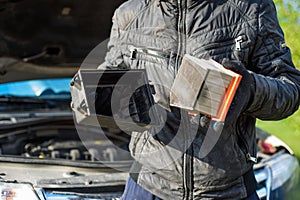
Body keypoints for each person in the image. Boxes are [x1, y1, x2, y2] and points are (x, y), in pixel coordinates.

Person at [98, 0, 300, 199]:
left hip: (228, 190)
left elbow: (290, 89)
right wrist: (103, 97)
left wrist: (251, 91)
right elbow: (108, 81)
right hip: (147, 187)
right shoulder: (128, 14)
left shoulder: (251, 8)